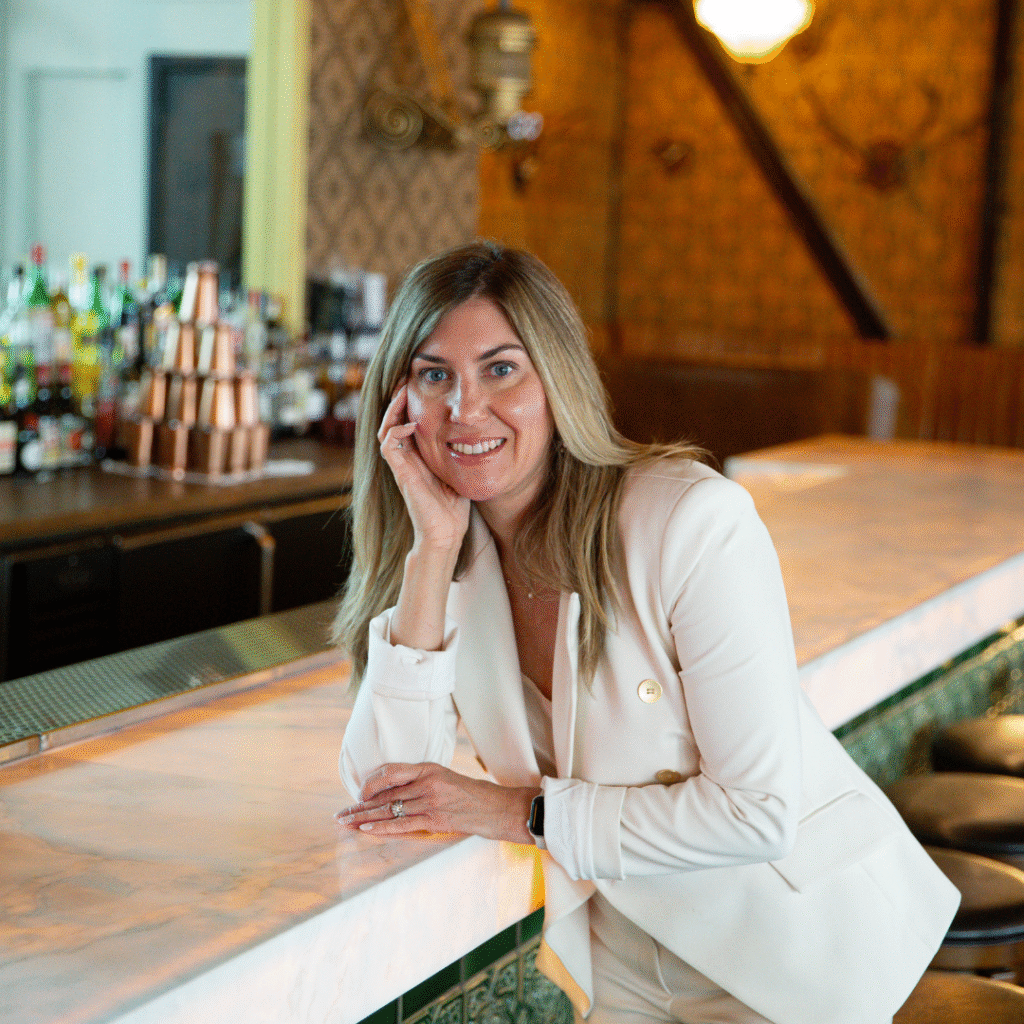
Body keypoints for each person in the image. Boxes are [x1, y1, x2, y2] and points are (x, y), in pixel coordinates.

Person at [334, 242, 958, 1024]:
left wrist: (518, 812)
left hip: (795, 960)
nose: (465, 407)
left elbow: (756, 812)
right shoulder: (455, 559)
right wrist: (430, 550)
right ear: (398, 403)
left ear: (557, 379)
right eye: (434, 376)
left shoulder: (688, 520)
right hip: (623, 969)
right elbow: (386, 790)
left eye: (501, 369)